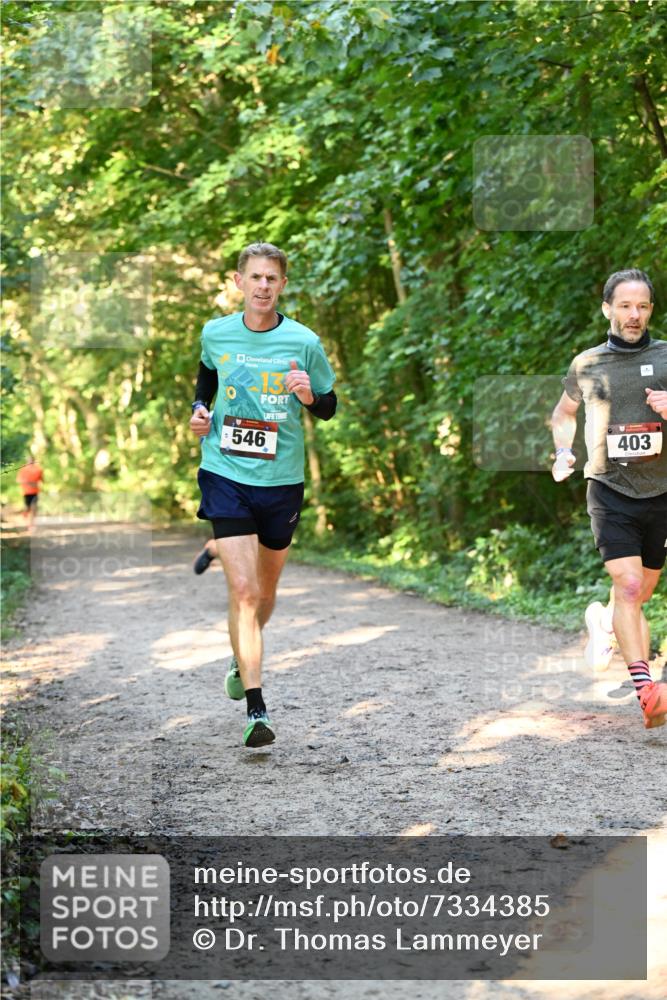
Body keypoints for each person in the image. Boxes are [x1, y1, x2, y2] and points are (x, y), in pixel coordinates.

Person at [189, 242, 337, 747]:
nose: (262, 286)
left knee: (264, 594)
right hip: (225, 473)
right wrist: (199, 409)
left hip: (281, 483)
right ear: (238, 282)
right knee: (246, 593)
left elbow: (329, 406)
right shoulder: (217, 332)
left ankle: (240, 650)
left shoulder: (303, 341)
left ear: (282, 285)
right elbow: (207, 375)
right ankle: (257, 709)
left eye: (271, 278)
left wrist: (307, 396)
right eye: (254, 277)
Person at [551, 268, 667, 729]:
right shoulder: (587, 363)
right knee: (631, 586)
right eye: (625, 306)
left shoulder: (666, 357)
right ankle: (646, 692)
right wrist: (564, 450)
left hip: (661, 490)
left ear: (651, 310)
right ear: (607, 309)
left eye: (642, 306)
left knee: (639, 593)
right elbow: (563, 414)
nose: (634, 314)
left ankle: (604, 622)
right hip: (609, 488)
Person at [16, 456, 43, 530]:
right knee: (27, 508)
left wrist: (36, 484)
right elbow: (18, 480)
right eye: (29, 460)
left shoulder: (38, 469)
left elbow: (41, 480)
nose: (30, 462)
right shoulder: (23, 469)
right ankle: (25, 516)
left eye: (31, 460)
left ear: (34, 460)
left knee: (34, 508)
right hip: (26, 492)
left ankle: (31, 525)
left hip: (35, 492)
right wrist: (28, 483)